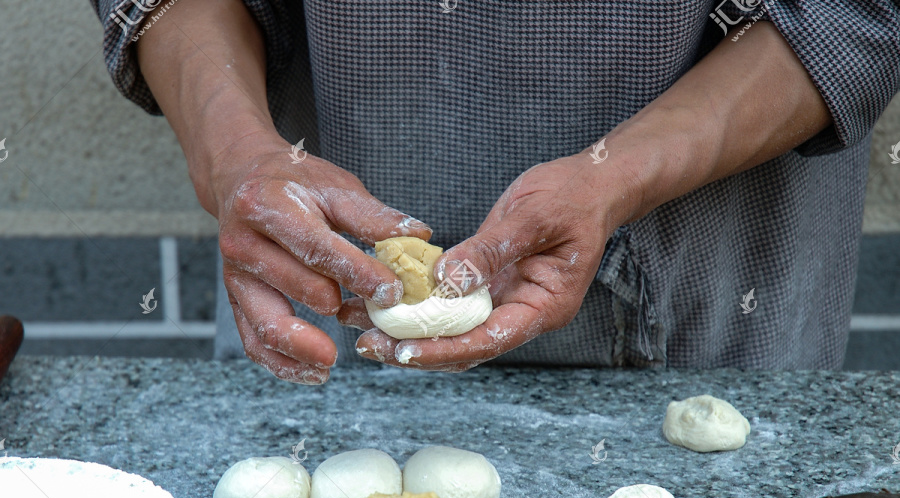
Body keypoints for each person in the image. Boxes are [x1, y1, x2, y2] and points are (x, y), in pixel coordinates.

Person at [90, 0, 899, 383]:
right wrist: (238, 155)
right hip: (322, 316)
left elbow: (852, 14)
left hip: (713, 316)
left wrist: (614, 178)